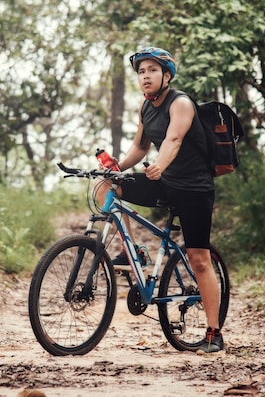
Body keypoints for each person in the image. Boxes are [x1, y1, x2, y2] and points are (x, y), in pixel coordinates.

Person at [94, 47, 223, 354]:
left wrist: (160, 165)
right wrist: (115, 168)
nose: (146, 76)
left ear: (166, 75)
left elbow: (173, 140)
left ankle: (214, 332)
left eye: (152, 70)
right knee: (107, 186)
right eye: (141, 72)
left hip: (194, 188)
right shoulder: (146, 107)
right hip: (164, 181)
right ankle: (131, 253)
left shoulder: (180, 103)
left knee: (199, 259)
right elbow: (140, 148)